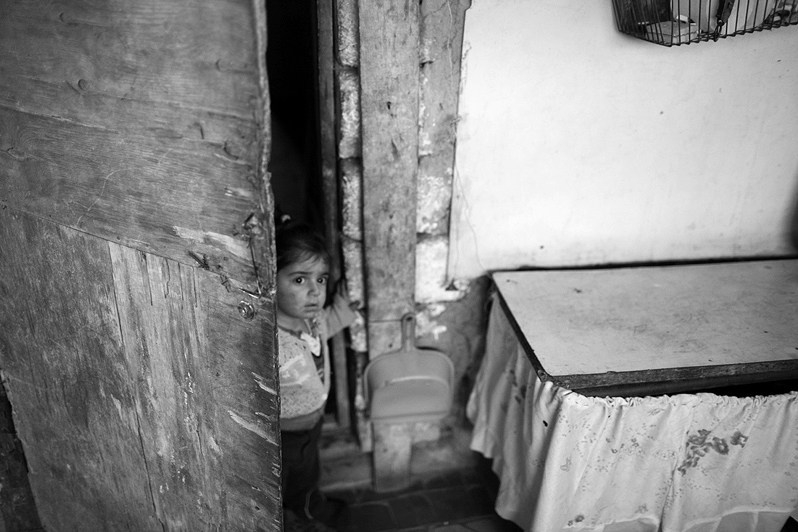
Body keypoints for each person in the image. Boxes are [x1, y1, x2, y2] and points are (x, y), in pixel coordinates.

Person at [275, 220, 356, 531]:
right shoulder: (268, 340)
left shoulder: (312, 320)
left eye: (320, 280)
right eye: (299, 279)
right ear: (271, 280)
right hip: (283, 437)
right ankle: (290, 521)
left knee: (306, 478)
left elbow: (330, 322)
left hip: (312, 425)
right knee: (278, 486)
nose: (314, 291)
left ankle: (308, 510)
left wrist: (345, 306)